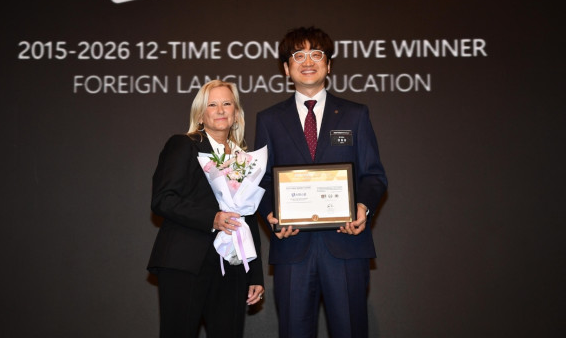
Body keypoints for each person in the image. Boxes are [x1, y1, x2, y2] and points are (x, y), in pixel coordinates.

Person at [254, 27, 387, 338]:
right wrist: (272, 214)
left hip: (346, 245)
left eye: (316, 54)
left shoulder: (355, 114)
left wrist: (362, 207)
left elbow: (374, 175)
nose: (308, 61)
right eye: (298, 55)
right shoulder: (269, 119)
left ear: (328, 64)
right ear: (286, 68)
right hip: (292, 248)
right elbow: (260, 179)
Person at [147, 79, 264, 338]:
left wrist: (254, 274)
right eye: (212, 105)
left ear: (236, 113)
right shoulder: (184, 145)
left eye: (227, 104)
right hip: (186, 262)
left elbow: (247, 215)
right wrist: (213, 218)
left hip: (232, 266)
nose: (220, 110)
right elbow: (163, 199)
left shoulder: (244, 159)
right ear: (200, 115)